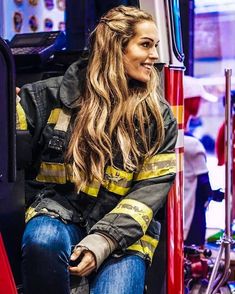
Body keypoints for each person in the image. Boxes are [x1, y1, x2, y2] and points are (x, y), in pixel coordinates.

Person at [17, 5, 178, 294]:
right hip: (58, 214)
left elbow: (149, 193)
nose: (154, 55)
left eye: (155, 45)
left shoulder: (158, 116)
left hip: (125, 238)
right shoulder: (46, 97)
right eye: (145, 45)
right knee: (42, 242)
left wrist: (103, 240)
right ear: (115, 48)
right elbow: (13, 161)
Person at [183, 75, 222, 247]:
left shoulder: (179, 141)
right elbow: (205, 188)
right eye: (199, 99)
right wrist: (217, 194)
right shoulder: (191, 145)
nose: (201, 104)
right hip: (192, 218)